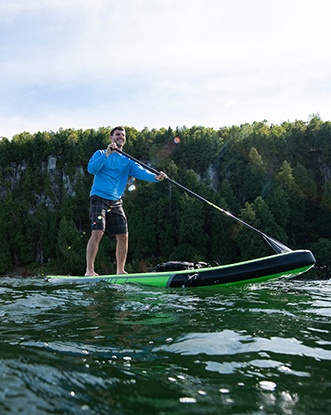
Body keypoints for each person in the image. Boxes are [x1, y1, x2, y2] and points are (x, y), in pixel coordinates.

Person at [85, 126, 167, 276]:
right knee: (97, 232)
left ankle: (120, 270)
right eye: (117, 134)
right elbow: (92, 169)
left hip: (116, 200)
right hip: (99, 197)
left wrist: (156, 177)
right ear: (111, 138)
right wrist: (107, 155)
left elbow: (142, 172)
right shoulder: (100, 153)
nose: (120, 137)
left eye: (123, 135)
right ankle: (89, 270)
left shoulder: (128, 161)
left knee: (123, 235)